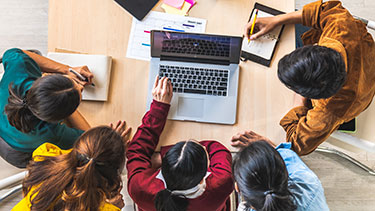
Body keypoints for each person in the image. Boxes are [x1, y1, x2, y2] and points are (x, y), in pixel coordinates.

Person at [244, 1, 375, 155]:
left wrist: (299, 98)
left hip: (359, 94)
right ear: (316, 49)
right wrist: (276, 20)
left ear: (311, 96)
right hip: (365, 65)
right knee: (287, 18)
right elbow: (321, 10)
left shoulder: (328, 111)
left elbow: (296, 144)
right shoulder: (341, 26)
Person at [126, 76, 233, 211]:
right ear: (203, 178)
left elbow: (136, 151)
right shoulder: (222, 184)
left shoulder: (140, 188)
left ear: (162, 169)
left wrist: (159, 108)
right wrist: (163, 155)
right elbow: (217, 149)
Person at [0, 48, 93, 168]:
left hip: (9, 133)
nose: (79, 86)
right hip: (17, 153)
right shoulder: (51, 134)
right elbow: (89, 140)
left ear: (44, 79)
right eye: (80, 90)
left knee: (34, 55)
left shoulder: (20, 69)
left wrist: (67, 69)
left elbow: (13, 52)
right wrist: (67, 106)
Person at [12, 121, 130, 211]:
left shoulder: (44, 156)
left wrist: (98, 146)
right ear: (114, 174)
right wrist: (114, 206)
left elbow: (82, 158)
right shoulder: (105, 208)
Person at [231, 130, 329, 211]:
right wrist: (267, 147)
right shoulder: (308, 184)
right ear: (285, 174)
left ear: (237, 188)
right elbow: (287, 156)